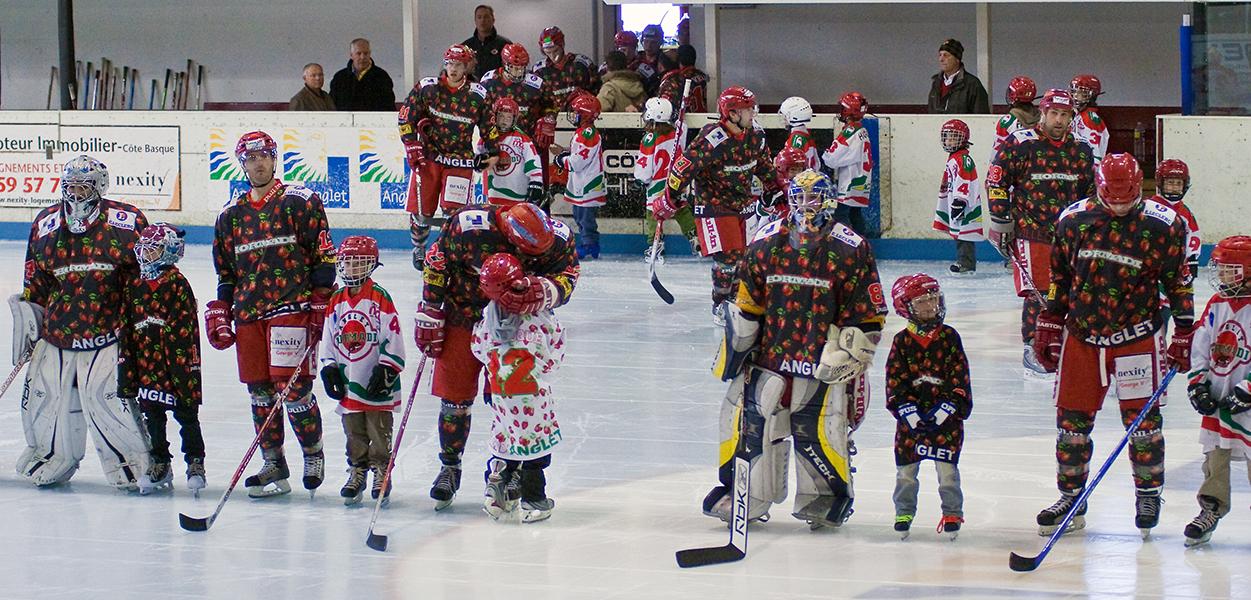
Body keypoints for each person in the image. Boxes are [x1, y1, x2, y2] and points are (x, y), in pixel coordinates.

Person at [702, 169, 887, 529]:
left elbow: (867, 311)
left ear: (829, 200)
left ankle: (824, 497)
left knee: (818, 429)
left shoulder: (851, 248)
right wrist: (737, 346)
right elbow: (747, 301)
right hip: (769, 357)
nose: (806, 206)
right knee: (744, 423)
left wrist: (855, 349)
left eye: (814, 198)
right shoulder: (765, 241)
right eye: (799, 198)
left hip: (818, 360)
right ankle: (747, 493)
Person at [1031, 153, 1193, 538]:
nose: (1119, 204)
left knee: (1143, 425)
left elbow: (1179, 280)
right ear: (1099, 188)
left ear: (1140, 188)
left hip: (1137, 336)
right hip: (1083, 335)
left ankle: (1148, 493)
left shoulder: (1165, 224)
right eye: (1112, 198)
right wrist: (1050, 320)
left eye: (1127, 197)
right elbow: (1060, 276)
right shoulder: (1072, 220)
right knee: (1071, 425)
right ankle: (1071, 497)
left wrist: (1185, 330)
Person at [416, 203, 580, 511]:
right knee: (454, 398)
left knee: (510, 403)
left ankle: (511, 470)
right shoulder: (468, 227)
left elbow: (569, 273)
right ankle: (449, 466)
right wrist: (430, 310)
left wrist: (546, 289)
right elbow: (437, 262)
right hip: (463, 316)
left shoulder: (558, 237)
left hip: (515, 327)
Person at [206, 131, 335, 498]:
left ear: (275, 159)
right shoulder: (230, 215)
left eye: (264, 155)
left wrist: (320, 297)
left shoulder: (300, 200)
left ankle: (313, 453)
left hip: (290, 309)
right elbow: (226, 272)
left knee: (294, 389)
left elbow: (323, 254)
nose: (258, 162)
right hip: (249, 314)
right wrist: (222, 309)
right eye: (250, 157)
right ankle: (273, 461)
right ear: (241, 163)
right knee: (260, 392)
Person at [13, 155, 151, 490]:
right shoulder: (46, 223)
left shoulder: (127, 221)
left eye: (84, 186)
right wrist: (31, 319)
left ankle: (131, 461)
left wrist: (142, 325)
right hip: (59, 332)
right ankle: (51, 454)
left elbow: (145, 276)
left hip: (109, 333)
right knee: (47, 399)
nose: (76, 193)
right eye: (71, 185)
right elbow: (36, 279)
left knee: (108, 400)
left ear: (99, 187)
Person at [986, 89, 1096, 377]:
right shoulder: (1020, 143)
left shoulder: (1081, 149)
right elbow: (996, 180)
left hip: (1072, 237)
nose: (1059, 120)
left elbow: (1091, 192)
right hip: (1031, 233)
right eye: (1054, 113)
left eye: (1065, 114)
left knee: (1073, 293)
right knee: (1039, 293)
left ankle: (1067, 344)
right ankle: (1033, 347)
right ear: (1043, 113)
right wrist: (1001, 220)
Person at [651, 85, 782, 323]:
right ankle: (721, 303)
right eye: (747, 109)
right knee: (728, 259)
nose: (753, 112)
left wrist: (777, 190)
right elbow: (682, 169)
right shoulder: (712, 139)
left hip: (743, 205)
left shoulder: (756, 136)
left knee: (745, 259)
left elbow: (764, 167)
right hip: (714, 207)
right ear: (732, 113)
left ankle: (737, 298)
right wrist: (669, 197)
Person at [471, 253, 568, 523]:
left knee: (505, 441)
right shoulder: (540, 317)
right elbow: (555, 351)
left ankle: (497, 490)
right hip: (533, 398)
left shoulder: (487, 319)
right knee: (536, 449)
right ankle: (533, 498)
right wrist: (541, 374)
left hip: (501, 395)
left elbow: (478, 349)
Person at [319, 235, 406, 506]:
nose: (352, 268)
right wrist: (329, 366)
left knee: (378, 430)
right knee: (353, 430)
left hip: (375, 379)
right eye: (347, 262)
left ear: (371, 265)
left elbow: (394, 335)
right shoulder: (336, 300)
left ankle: (381, 470)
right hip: (349, 378)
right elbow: (329, 335)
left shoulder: (380, 297)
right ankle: (357, 470)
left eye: (359, 263)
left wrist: (388, 369)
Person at [885, 273, 972, 539]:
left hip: (946, 423)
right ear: (906, 307)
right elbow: (895, 381)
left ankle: (952, 512)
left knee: (948, 472)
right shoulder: (901, 341)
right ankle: (904, 510)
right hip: (911, 424)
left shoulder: (949, 337)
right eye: (923, 302)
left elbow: (960, 375)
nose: (931, 306)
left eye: (934, 299)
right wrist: (907, 411)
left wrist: (948, 407)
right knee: (906, 473)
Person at [123, 223, 205, 495]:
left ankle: (195, 462)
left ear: (170, 251)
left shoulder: (177, 283)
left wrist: (181, 367)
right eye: (144, 248)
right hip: (147, 362)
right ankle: (159, 461)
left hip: (176, 364)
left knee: (186, 414)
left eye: (154, 248)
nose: (146, 254)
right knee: (153, 416)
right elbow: (128, 324)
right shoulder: (134, 284)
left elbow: (185, 327)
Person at [399, 44, 497, 268]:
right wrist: (411, 145)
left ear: (467, 67)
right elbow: (406, 117)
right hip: (429, 158)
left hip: (460, 161)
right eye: (450, 63)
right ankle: (419, 248)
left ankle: (445, 249)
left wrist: (492, 153)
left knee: (454, 213)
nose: (453, 69)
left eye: (459, 64)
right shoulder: (427, 88)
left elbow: (489, 128)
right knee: (421, 211)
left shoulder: (478, 95)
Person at [1184, 235, 1251, 547]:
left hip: (1247, 401)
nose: (1222, 275)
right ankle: (1211, 508)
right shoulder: (1217, 304)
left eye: (1230, 270)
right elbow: (1201, 346)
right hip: (1219, 393)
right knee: (1215, 456)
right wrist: (1198, 383)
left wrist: (1248, 389)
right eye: (1221, 269)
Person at [480, 43, 557, 194]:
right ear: (505, 64)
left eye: (521, 67)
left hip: (529, 143)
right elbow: (480, 110)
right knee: (499, 186)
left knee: (535, 185)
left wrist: (548, 120)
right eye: (514, 67)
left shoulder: (536, 83)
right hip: (498, 144)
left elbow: (551, 105)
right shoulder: (489, 81)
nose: (518, 71)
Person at [530, 26, 599, 193]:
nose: (552, 54)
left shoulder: (582, 63)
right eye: (547, 50)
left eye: (555, 49)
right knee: (554, 168)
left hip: (582, 123)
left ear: (562, 44)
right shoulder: (538, 70)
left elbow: (597, 90)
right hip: (553, 126)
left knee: (581, 165)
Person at [636, 97, 699, 263]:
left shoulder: (650, 138)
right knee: (680, 209)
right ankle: (695, 238)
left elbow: (645, 166)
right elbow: (682, 127)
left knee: (653, 213)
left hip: (657, 184)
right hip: (676, 180)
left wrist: (641, 178)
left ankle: (655, 245)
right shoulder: (677, 131)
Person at [550, 91, 606, 259]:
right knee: (579, 214)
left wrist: (560, 159)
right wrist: (564, 151)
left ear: (585, 115)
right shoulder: (583, 132)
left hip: (588, 183)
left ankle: (590, 245)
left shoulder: (588, 134)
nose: (572, 115)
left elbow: (578, 162)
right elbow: (578, 153)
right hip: (582, 183)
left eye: (576, 112)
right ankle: (588, 243)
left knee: (585, 217)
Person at [933, 119, 984, 273]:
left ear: (963, 139)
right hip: (957, 201)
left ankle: (966, 263)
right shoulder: (955, 158)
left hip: (964, 204)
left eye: (953, 137)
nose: (949, 141)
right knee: (960, 233)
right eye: (947, 137)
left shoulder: (963, 159)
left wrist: (959, 201)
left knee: (965, 234)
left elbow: (965, 179)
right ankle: (963, 261)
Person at [821, 91, 873, 235]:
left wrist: (825, 157)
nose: (840, 111)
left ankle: (845, 245)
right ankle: (862, 243)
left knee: (841, 215)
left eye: (843, 108)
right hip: (862, 178)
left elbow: (831, 157)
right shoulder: (862, 130)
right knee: (855, 214)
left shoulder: (851, 131)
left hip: (851, 180)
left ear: (849, 111)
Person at [478, 97, 543, 208]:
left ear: (514, 119)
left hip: (517, 196)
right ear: (495, 116)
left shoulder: (522, 139)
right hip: (491, 196)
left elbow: (533, 161)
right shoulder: (487, 137)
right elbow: (477, 161)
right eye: (501, 116)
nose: (504, 121)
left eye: (508, 118)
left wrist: (536, 182)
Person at [1151, 159, 1201, 280]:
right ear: (1160, 183)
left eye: (1178, 183)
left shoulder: (1185, 212)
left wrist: (1192, 259)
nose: (1174, 188)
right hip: (1151, 265)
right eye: (1170, 182)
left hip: (1177, 268)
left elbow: (1193, 235)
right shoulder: (1148, 207)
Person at [329, 38, 396, 111]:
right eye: (358, 53)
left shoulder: (382, 77)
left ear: (370, 54)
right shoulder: (340, 77)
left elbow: (389, 106)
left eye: (366, 53)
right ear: (351, 55)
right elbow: (332, 105)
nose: (362, 57)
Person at [927, 38, 990, 114]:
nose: (941, 59)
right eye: (940, 55)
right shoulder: (936, 83)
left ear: (957, 59)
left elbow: (981, 117)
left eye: (946, 55)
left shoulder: (972, 84)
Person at [991, 76, 1039, 160]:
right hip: (1036, 166)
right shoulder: (1043, 119)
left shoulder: (1007, 122)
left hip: (1014, 165)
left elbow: (997, 152)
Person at [656, 44, 709, 114]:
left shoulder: (676, 79)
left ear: (678, 59)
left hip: (687, 119)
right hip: (704, 117)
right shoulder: (703, 76)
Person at [463, 5, 511, 80]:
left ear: (493, 20)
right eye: (479, 17)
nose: (482, 20)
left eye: (486, 17)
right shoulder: (466, 46)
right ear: (475, 21)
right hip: (471, 88)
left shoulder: (505, 44)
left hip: (496, 88)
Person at [1070, 74, 1109, 166]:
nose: (1075, 96)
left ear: (1091, 95)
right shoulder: (1079, 115)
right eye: (1074, 92)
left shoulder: (1089, 119)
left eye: (1080, 93)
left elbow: (1094, 153)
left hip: (1086, 170)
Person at [778, 96, 820, 170]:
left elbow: (793, 168)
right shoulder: (804, 134)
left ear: (792, 116)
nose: (783, 118)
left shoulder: (796, 139)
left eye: (785, 115)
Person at [637, 24, 670, 95]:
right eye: (646, 41)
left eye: (653, 43)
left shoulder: (665, 61)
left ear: (660, 42)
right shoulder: (637, 59)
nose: (649, 46)